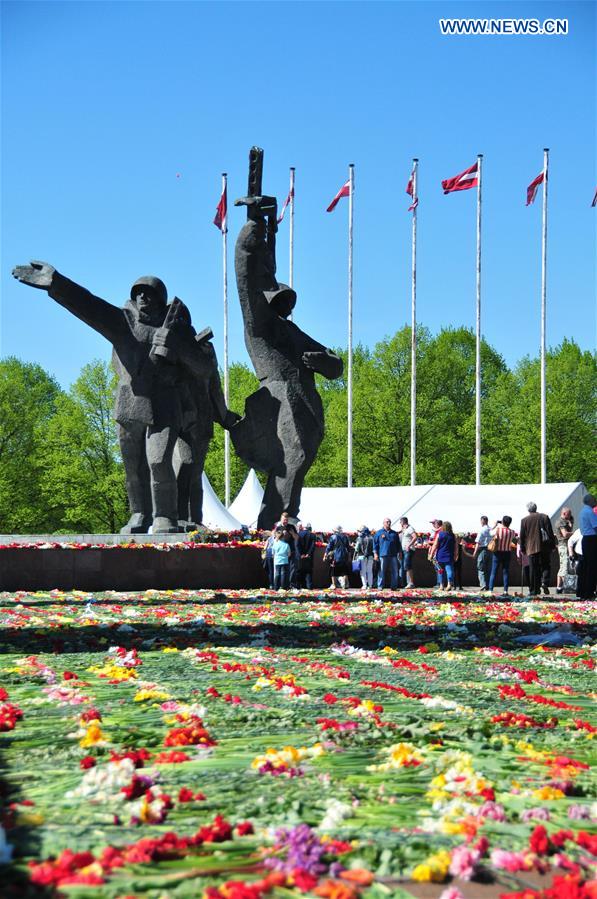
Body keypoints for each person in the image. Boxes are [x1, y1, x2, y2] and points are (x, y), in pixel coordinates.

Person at [12, 262, 237, 534]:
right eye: (139, 293)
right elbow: (89, 305)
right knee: (133, 466)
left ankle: (165, 516)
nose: (143, 298)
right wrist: (57, 283)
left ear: (161, 299)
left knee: (158, 461)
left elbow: (203, 368)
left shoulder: (178, 331)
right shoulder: (123, 323)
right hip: (130, 404)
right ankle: (139, 514)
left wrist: (177, 346)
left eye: (150, 293)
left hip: (166, 405)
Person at [233, 178, 343, 529]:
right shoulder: (260, 327)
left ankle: (278, 518)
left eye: (284, 299)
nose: (280, 302)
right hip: (279, 400)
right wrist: (253, 227)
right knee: (291, 458)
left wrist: (325, 363)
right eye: (275, 297)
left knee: (298, 461)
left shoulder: (292, 331)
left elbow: (335, 365)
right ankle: (275, 522)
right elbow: (247, 278)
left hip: (307, 404)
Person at [519, 502, 556, 597]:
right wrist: (552, 546)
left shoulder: (524, 520)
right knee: (546, 565)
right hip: (544, 547)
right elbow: (550, 532)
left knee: (533, 569)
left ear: (528, 510)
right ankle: (545, 581)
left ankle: (534, 590)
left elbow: (522, 536)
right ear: (536, 508)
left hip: (531, 548)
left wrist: (522, 548)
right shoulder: (544, 517)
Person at [488, 516, 516, 596]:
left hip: (497, 552)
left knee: (494, 572)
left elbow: (490, 533)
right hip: (507, 552)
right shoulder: (512, 532)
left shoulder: (498, 529)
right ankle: (505, 590)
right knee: (505, 572)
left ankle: (490, 590)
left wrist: (495, 525)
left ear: (502, 521)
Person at [577, 494, 597, 600]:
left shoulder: (582, 511)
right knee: (592, 567)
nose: (595, 501)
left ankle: (584, 590)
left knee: (586, 566)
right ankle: (589, 591)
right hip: (592, 539)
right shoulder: (590, 512)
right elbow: (596, 526)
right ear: (590, 501)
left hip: (586, 539)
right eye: (594, 499)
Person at [373, 518, 401, 590]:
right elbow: (375, 544)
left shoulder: (394, 533)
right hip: (383, 555)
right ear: (383, 523)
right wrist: (375, 554)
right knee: (381, 571)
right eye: (387, 522)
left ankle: (394, 586)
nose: (389, 523)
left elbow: (398, 544)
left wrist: (400, 552)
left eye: (389, 522)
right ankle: (380, 586)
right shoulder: (379, 533)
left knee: (395, 571)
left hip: (393, 555)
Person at [429, 521, 456, 591]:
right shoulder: (453, 535)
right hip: (449, 555)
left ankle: (441, 586)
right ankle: (449, 584)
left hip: (440, 555)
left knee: (440, 571)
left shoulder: (440, 534)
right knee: (449, 570)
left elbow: (435, 545)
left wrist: (431, 554)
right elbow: (456, 547)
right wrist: (456, 555)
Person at [555, 507, 574, 595]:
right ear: (564, 513)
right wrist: (575, 533)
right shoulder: (561, 522)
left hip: (564, 545)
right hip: (563, 545)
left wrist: (570, 524)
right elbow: (565, 534)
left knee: (562, 567)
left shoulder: (566, 521)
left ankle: (558, 587)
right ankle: (567, 587)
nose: (570, 516)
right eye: (569, 514)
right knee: (565, 567)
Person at [473, 516, 492, 591]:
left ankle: (483, 585)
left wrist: (474, 552)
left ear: (482, 521)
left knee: (481, 568)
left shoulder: (482, 530)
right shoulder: (491, 529)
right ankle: (488, 585)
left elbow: (478, 542)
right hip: (490, 550)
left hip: (483, 550)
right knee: (488, 568)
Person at [399, 517, 417, 588]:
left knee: (407, 565)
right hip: (404, 550)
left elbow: (415, 537)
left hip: (408, 550)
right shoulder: (404, 529)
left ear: (403, 522)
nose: (400, 524)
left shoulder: (410, 528)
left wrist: (409, 545)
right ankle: (406, 583)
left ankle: (411, 582)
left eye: (400, 522)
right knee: (404, 566)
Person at [297, 522, 316, 590]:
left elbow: (297, 545)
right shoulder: (313, 535)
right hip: (309, 557)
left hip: (300, 556)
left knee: (299, 571)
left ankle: (299, 586)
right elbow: (313, 546)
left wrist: (301, 554)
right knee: (308, 571)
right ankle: (309, 586)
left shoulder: (299, 534)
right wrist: (308, 554)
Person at [428, 519, 444, 589]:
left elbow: (437, 541)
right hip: (435, 552)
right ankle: (439, 582)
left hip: (437, 552)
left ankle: (440, 583)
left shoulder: (440, 531)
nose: (433, 525)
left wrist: (431, 542)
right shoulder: (437, 531)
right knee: (437, 568)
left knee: (439, 568)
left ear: (437, 524)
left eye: (434, 524)